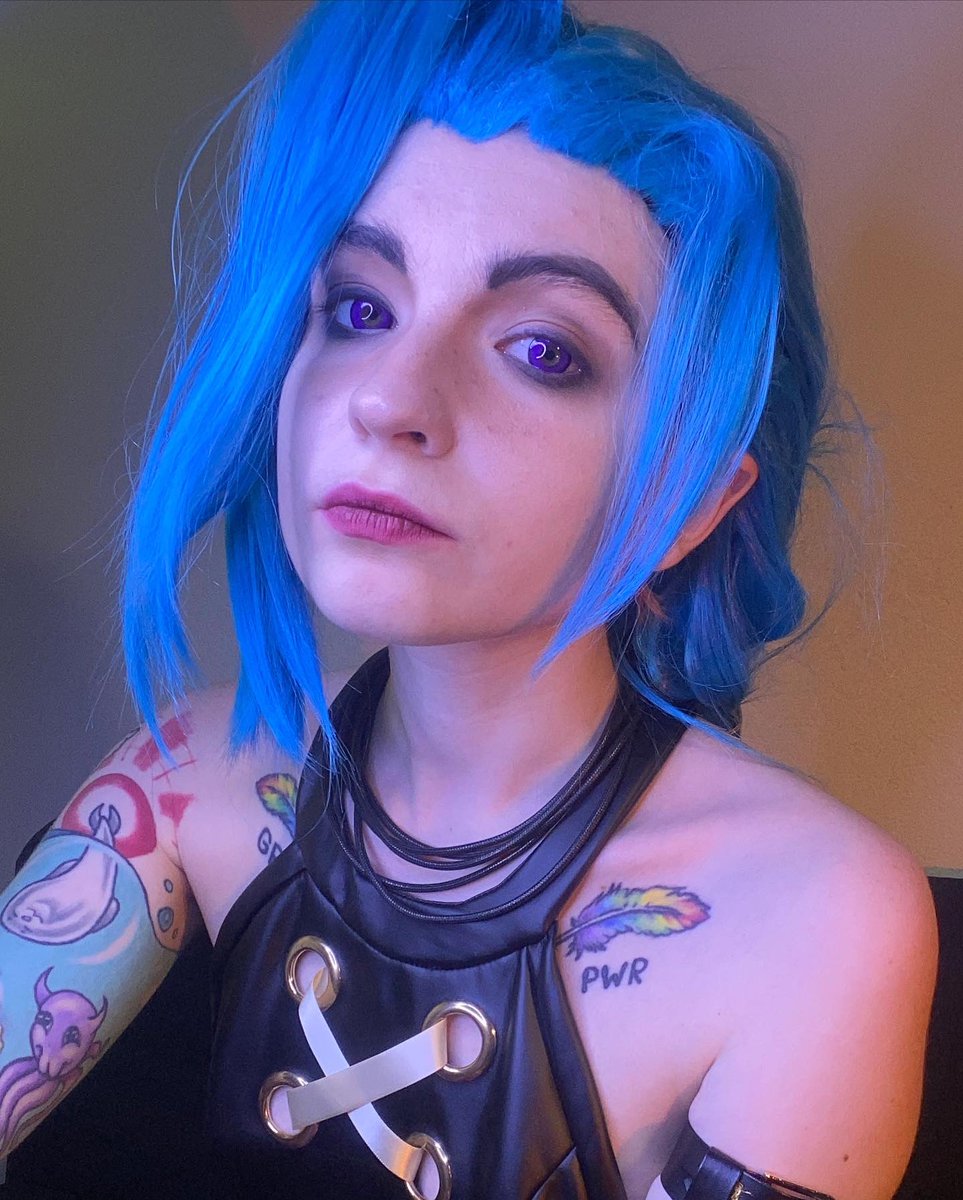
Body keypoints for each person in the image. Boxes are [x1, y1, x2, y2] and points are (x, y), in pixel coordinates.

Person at [0, 2, 938, 1198]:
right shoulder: (188, 782)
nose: (390, 399)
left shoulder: (816, 921)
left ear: (691, 501)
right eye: (360, 308)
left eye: (544, 351)